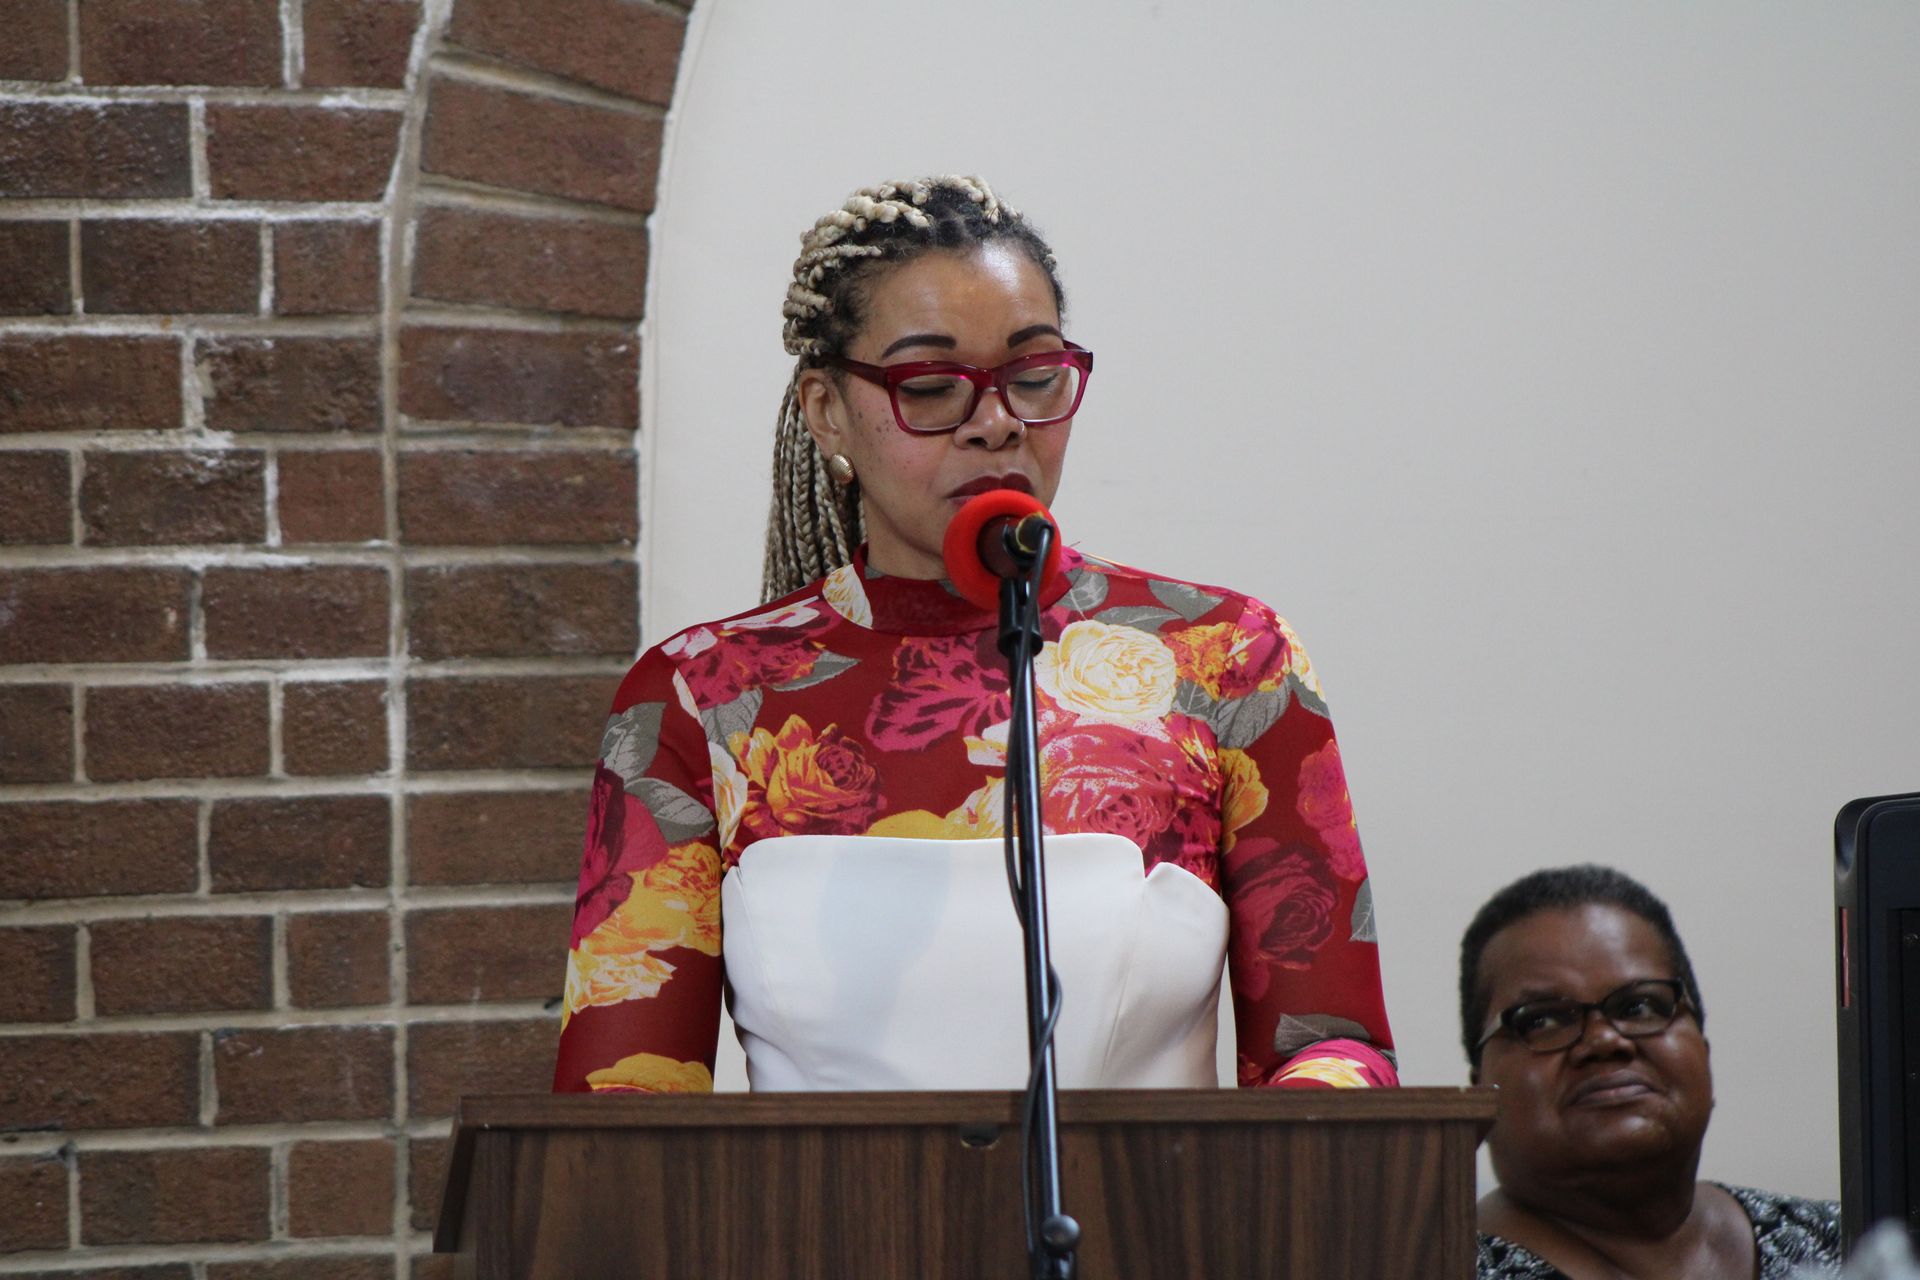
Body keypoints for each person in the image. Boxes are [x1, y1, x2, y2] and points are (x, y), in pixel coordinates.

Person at [553, 175, 1395, 1095]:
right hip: (815, 1238)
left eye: (1033, 378)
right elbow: (623, 1110)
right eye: (931, 386)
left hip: (1156, 1234)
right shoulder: (699, 697)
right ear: (828, 408)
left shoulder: (1227, 658)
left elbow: (1335, 1046)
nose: (997, 425)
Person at [1461, 864, 1842, 1278]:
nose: (1606, 1041)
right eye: (1544, 1020)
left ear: (1703, 1049)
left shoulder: (1854, 1243)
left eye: (1640, 1006)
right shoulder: (1426, 1267)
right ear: (1480, 1090)